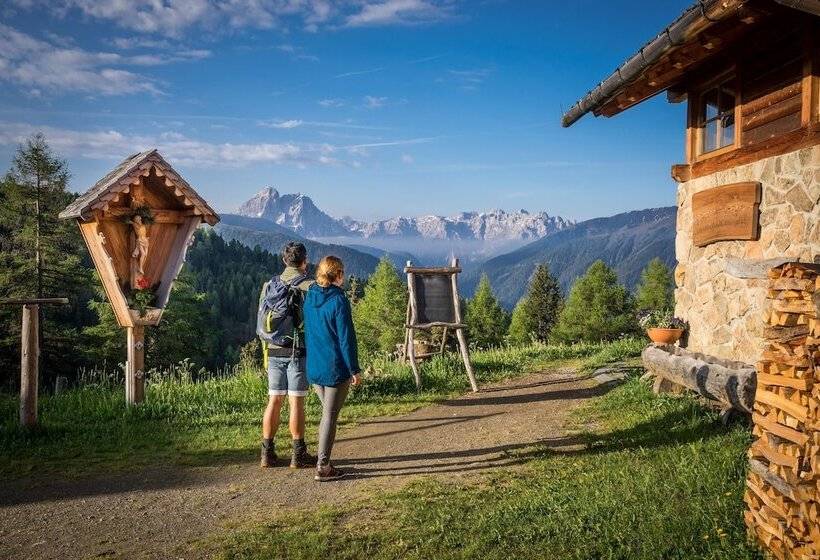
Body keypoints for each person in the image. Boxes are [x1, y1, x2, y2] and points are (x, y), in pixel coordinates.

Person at [303, 256, 361, 482]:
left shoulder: (311, 296)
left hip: (315, 367)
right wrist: (354, 369)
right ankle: (323, 466)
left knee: (328, 414)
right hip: (335, 368)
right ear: (337, 275)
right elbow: (346, 339)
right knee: (329, 416)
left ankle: (323, 462)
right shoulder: (339, 300)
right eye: (343, 273)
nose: (344, 276)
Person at [257, 242, 314, 469]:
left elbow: (263, 321)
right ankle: (298, 454)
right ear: (304, 262)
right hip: (296, 351)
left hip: (272, 350)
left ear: (284, 261)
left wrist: (265, 353)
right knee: (295, 401)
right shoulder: (309, 287)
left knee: (274, 399)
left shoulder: (269, 285)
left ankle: (266, 453)